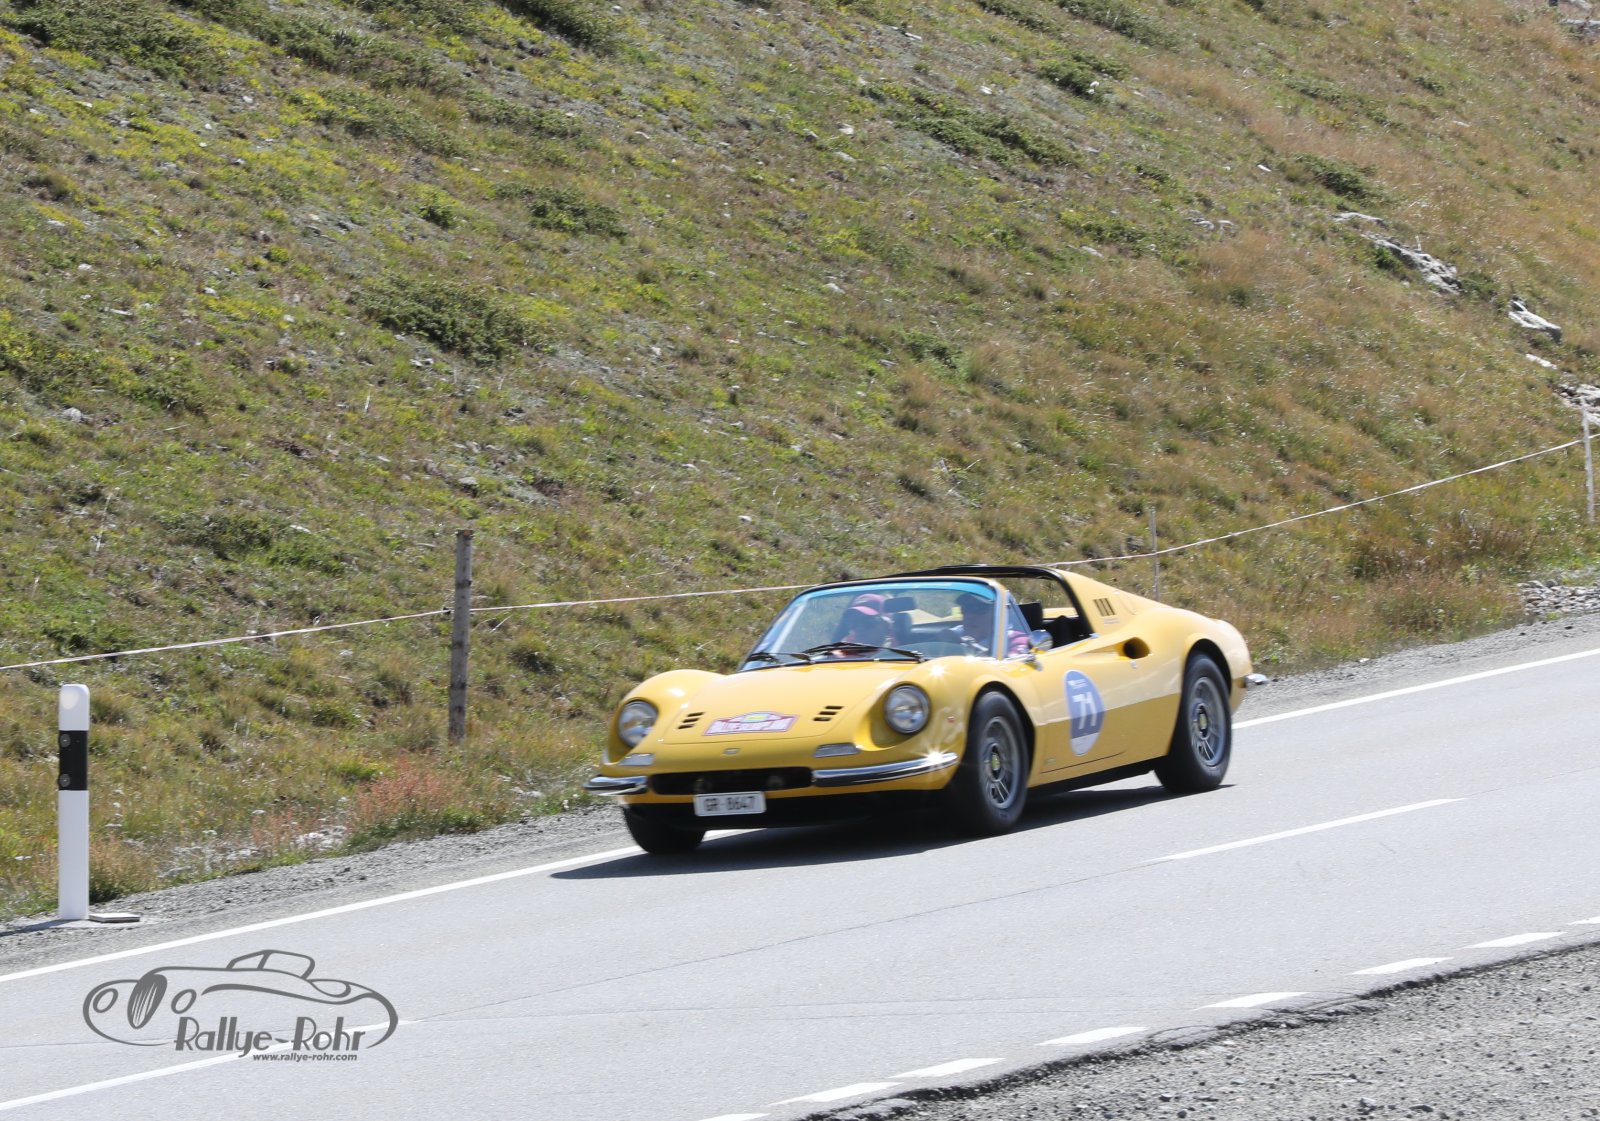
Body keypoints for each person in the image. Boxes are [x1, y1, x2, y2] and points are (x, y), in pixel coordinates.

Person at [954, 591, 1030, 657]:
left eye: (978, 608)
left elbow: (1015, 663)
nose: (969, 616)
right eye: (964, 609)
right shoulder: (956, 633)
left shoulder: (1014, 639)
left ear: (1000, 613)